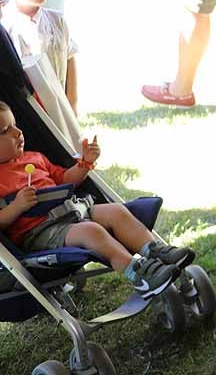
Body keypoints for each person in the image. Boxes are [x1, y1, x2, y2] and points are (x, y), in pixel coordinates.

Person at [0, 101, 195, 299]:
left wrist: (85, 163)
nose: (17, 132)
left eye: (15, 124)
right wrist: (17, 206)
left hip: (73, 210)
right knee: (91, 231)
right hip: (42, 232)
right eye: (5, 130)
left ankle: (155, 251)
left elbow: (67, 179)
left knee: (116, 211)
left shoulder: (35, 158)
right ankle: (141, 276)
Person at [0, 0, 81, 149]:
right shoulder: (6, 28)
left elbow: (70, 57)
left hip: (60, 105)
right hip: (29, 112)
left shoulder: (57, 20)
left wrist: (72, 102)